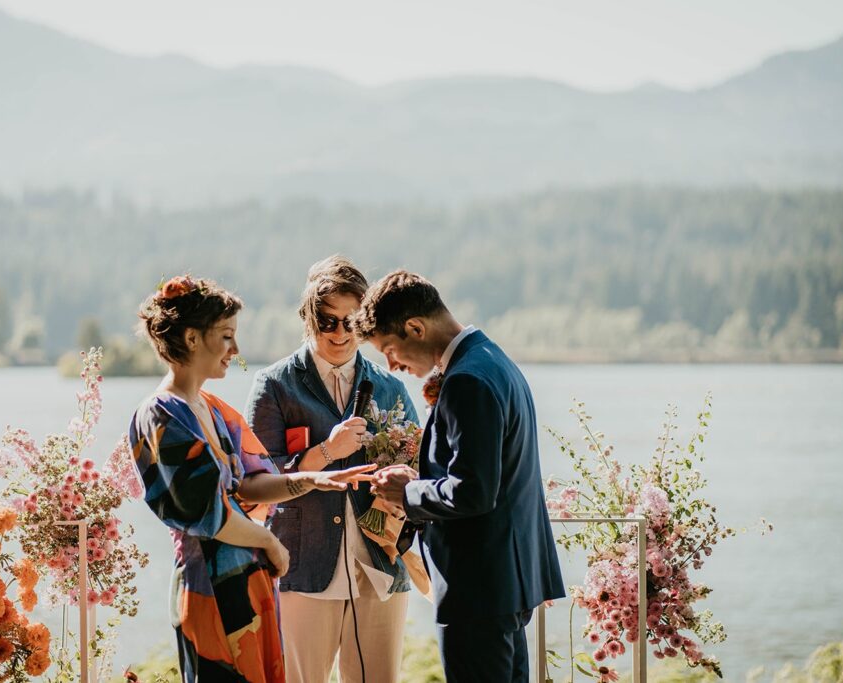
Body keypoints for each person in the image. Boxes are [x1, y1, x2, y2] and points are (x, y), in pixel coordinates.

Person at [129, 274, 373, 683]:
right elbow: (210, 514)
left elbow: (249, 484)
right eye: (226, 336)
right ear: (191, 339)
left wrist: (314, 479)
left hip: (249, 581)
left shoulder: (210, 406)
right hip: (210, 586)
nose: (236, 350)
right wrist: (270, 542)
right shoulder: (160, 415)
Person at [354, 269, 565, 683]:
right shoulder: (492, 360)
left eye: (390, 350)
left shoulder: (467, 381)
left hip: (478, 590)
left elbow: (473, 491)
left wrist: (408, 491)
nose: (392, 366)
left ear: (416, 327)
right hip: (505, 581)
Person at [244, 256, 419, 683]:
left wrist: (403, 475)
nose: (340, 333)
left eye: (352, 322)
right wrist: (326, 450)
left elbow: (419, 465)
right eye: (328, 321)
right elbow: (254, 481)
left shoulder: (391, 386)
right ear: (309, 319)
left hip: (380, 564)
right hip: (303, 565)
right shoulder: (275, 385)